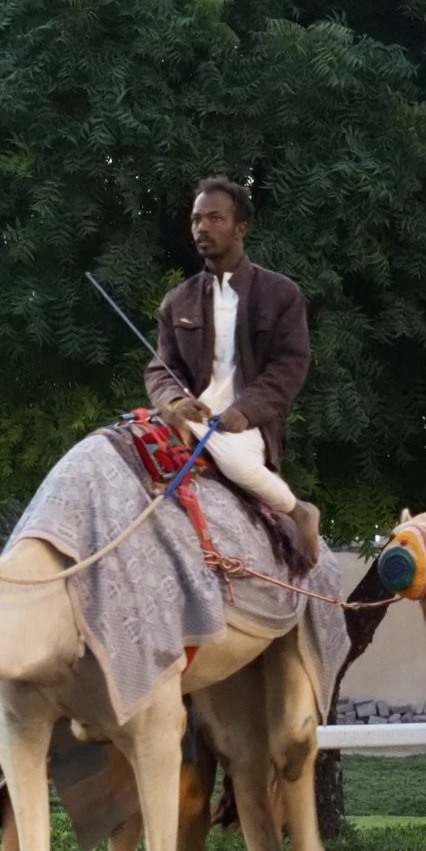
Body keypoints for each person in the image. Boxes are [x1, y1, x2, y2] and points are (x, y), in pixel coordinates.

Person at [144, 175, 324, 568]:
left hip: (244, 426)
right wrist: (173, 402)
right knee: (127, 442)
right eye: (196, 219)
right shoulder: (178, 300)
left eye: (215, 219)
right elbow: (162, 367)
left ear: (241, 228)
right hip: (191, 417)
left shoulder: (282, 294)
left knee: (238, 465)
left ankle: (299, 512)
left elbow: (290, 364)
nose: (202, 228)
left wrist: (246, 411)